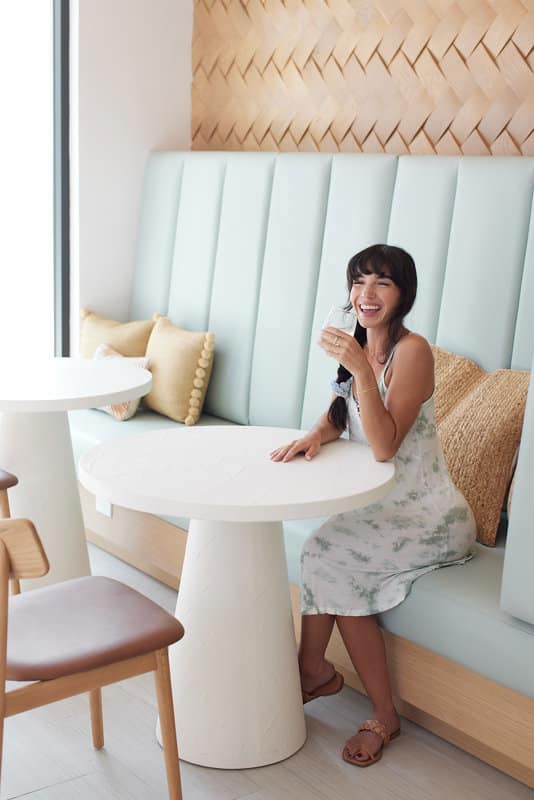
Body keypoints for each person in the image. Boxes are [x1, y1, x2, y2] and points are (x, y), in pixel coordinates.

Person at [270, 244, 476, 768]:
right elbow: (341, 414)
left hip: (431, 515)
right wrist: (314, 435)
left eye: (382, 283)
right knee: (323, 550)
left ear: (402, 294)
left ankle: (370, 708)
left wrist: (361, 367)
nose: (367, 294)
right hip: (386, 508)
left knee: (332, 554)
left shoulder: (413, 352)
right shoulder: (360, 345)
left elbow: (384, 445)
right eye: (359, 282)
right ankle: (312, 673)